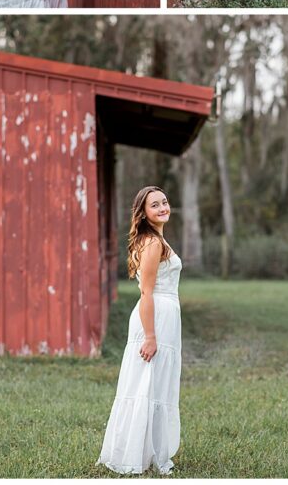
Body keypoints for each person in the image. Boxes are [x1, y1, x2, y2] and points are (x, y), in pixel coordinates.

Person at [99, 186, 182, 475]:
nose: (162, 207)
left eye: (164, 201)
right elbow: (147, 293)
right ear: (143, 213)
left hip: (166, 316)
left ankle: (151, 452)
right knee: (146, 385)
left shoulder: (158, 239)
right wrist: (150, 336)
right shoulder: (152, 243)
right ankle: (139, 455)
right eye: (154, 205)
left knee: (157, 385)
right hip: (154, 316)